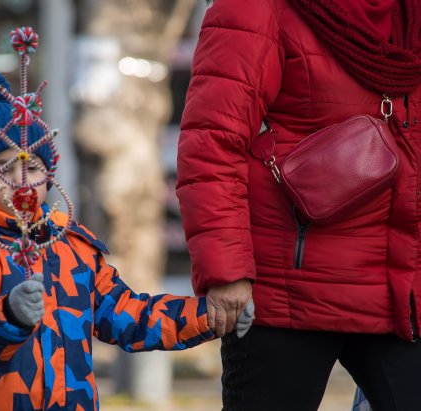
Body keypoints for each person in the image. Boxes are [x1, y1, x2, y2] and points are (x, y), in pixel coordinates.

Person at [0, 67, 226, 411]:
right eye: (4, 169)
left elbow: (127, 315)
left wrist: (209, 316)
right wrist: (9, 316)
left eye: (33, 168)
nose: (22, 181)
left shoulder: (72, 248)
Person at [177, 0, 421, 410]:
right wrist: (227, 271)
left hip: (401, 289)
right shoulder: (257, 8)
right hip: (287, 293)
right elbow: (212, 144)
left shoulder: (409, 17)